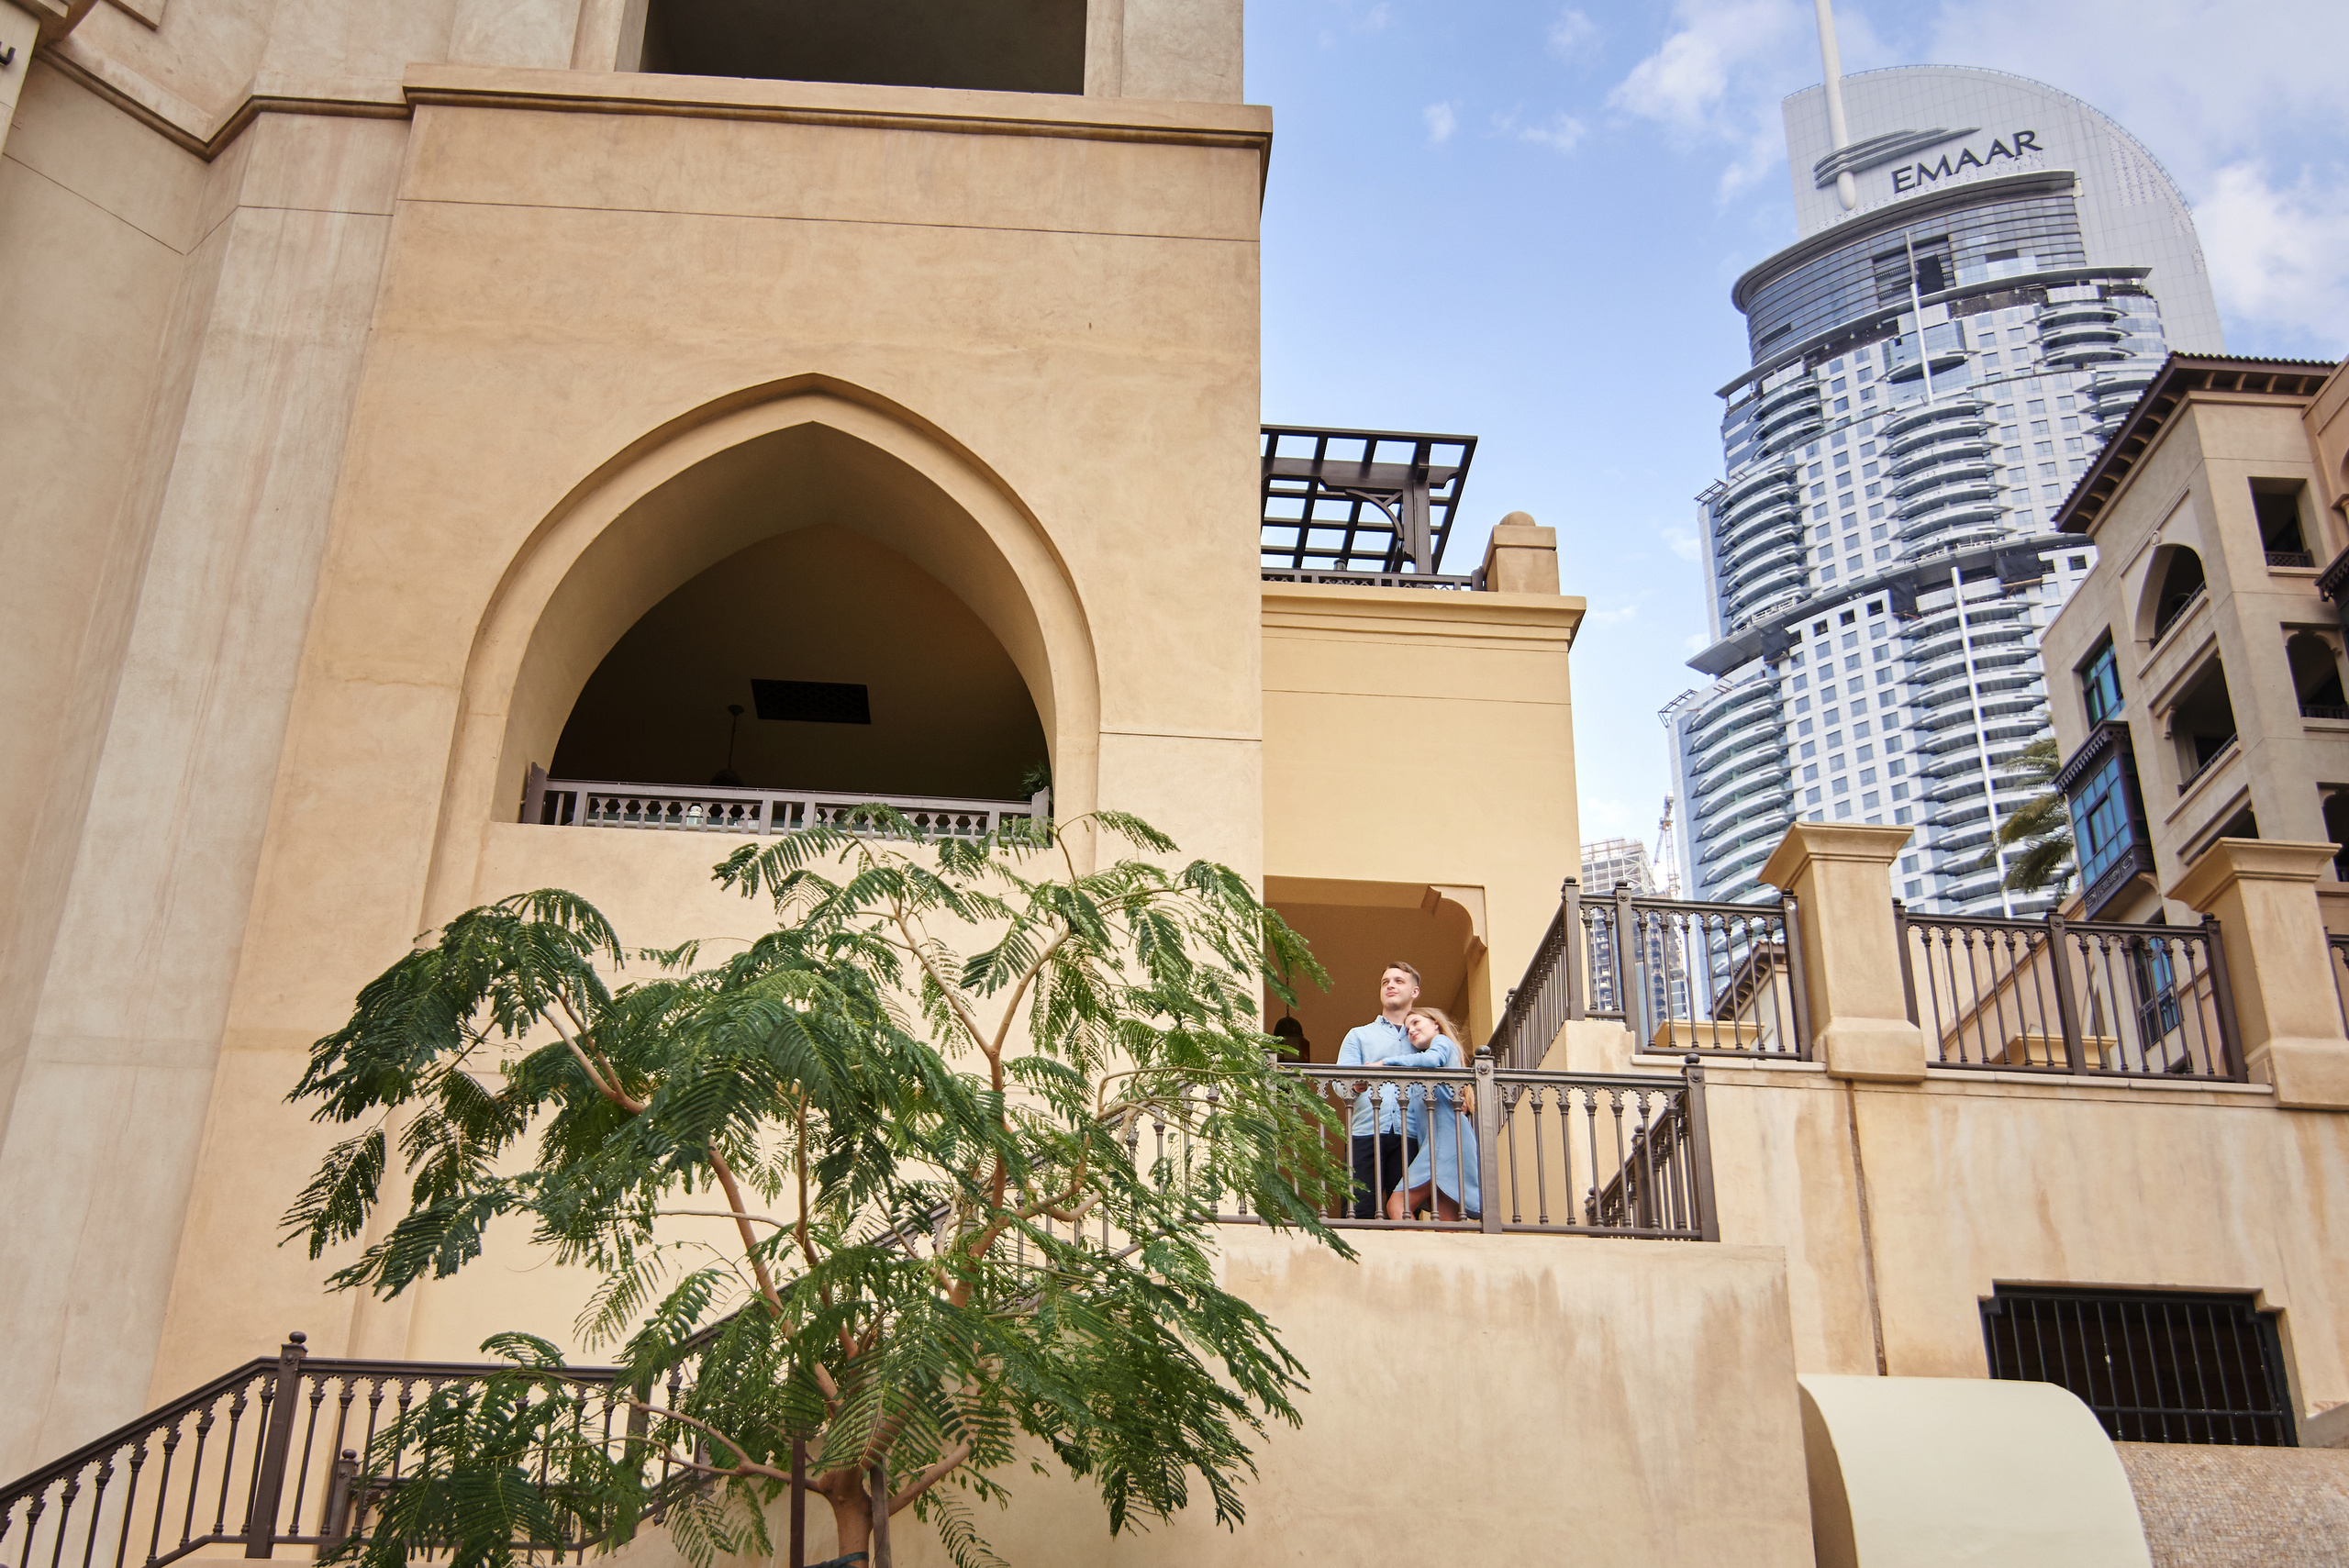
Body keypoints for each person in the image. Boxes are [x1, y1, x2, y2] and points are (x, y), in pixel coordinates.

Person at [1334, 961, 1448, 1219]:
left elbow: (1444, 1062)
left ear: (1415, 992)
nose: (1390, 986)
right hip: (1365, 1132)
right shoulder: (1358, 1035)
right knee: (1358, 1211)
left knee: (1405, 1214)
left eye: (1398, 981)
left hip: (1412, 1133)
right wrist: (1355, 1085)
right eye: (1385, 982)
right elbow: (1339, 1083)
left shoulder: (1423, 1036)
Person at [1387, 1006, 1480, 1222]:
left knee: (1397, 1205)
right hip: (1446, 1143)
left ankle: (1416, 1247)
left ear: (1436, 1024)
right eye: (1407, 1029)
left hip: (1445, 1143)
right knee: (1447, 1225)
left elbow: (1432, 1059)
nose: (1411, 1030)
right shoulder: (1434, 1059)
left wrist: (1386, 1062)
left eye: (1416, 1022)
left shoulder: (1441, 1042)